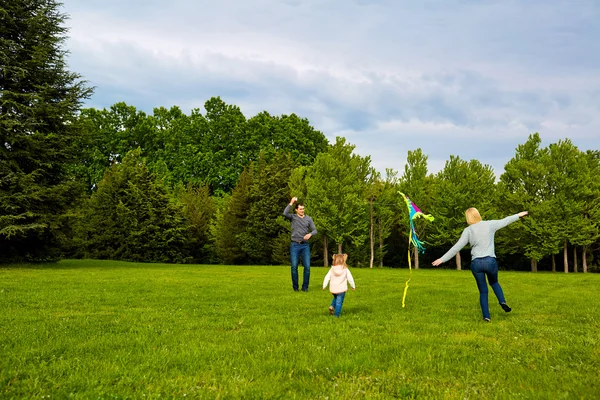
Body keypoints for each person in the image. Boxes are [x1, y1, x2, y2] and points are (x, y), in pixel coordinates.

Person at [432, 208, 528, 322]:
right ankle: (502, 301)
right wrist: (518, 215)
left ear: (468, 218)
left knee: (483, 291)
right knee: (494, 282)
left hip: (476, 264)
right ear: (478, 215)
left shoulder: (468, 231)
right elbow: (506, 220)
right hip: (490, 262)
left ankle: (486, 316)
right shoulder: (489, 224)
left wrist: (442, 259)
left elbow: (456, 247)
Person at [283, 197, 317, 292]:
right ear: (296, 210)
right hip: (295, 245)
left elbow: (315, 230)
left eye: (303, 209)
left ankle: (305, 288)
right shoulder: (293, 217)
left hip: (305, 245)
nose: (302, 210)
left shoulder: (308, 219)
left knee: (307, 267)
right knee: (294, 267)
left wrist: (310, 234)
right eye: (300, 209)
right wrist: (291, 202)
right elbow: (284, 213)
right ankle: (295, 288)